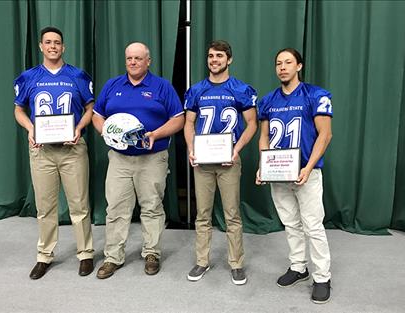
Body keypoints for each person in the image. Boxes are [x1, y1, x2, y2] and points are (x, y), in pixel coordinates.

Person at [92, 42, 184, 279]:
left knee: (152, 206)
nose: (133, 62)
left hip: (152, 158)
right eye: (129, 58)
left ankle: (151, 252)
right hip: (120, 158)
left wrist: (156, 134)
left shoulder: (161, 86)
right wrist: (105, 132)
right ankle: (113, 257)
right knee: (116, 208)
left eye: (138, 58)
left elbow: (179, 119)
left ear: (148, 61)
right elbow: (97, 115)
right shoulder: (113, 85)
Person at [13, 26, 95, 279]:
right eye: (48, 42)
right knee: (45, 206)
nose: (52, 46)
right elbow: (19, 110)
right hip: (42, 150)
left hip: (72, 148)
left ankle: (85, 253)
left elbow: (90, 108)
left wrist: (79, 128)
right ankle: (45, 255)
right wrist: (30, 129)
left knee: (79, 204)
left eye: (57, 42)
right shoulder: (28, 77)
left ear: (63, 47)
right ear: (40, 46)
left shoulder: (78, 75)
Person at [255, 48, 333, 303]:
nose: (282, 67)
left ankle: (322, 276)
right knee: (290, 223)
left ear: (298, 66)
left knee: (312, 225)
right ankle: (299, 267)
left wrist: (308, 168)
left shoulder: (315, 95)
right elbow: (265, 136)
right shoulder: (268, 100)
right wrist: (263, 166)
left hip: (305, 171)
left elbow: (325, 134)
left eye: (288, 62)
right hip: (279, 172)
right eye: (278, 63)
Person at [183, 40, 257, 285]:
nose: (214, 60)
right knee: (202, 214)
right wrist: (192, 149)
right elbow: (189, 124)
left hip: (228, 161)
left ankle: (236, 263)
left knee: (232, 214)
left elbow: (252, 124)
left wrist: (236, 150)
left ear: (229, 60)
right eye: (210, 56)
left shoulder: (240, 89)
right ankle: (201, 261)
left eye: (219, 56)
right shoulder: (196, 90)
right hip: (203, 162)